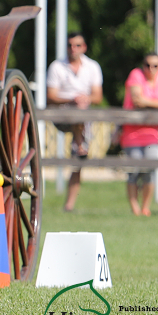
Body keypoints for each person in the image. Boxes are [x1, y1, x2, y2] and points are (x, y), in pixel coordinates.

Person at [46, 33, 103, 212]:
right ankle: (79, 144)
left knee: (78, 163)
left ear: (84, 47)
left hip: (83, 116)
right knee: (78, 114)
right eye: (71, 45)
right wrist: (72, 99)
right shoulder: (56, 66)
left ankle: (69, 205)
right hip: (61, 114)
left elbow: (98, 96)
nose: (74, 49)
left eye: (77, 45)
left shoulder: (92, 66)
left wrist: (84, 98)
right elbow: (51, 96)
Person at [120, 53, 158, 216]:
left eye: (155, 65)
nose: (151, 69)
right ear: (142, 65)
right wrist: (157, 104)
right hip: (132, 132)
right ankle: (134, 207)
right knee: (134, 170)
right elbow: (137, 101)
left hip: (152, 133)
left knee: (150, 170)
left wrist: (147, 102)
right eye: (147, 65)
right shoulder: (135, 75)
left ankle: (145, 207)